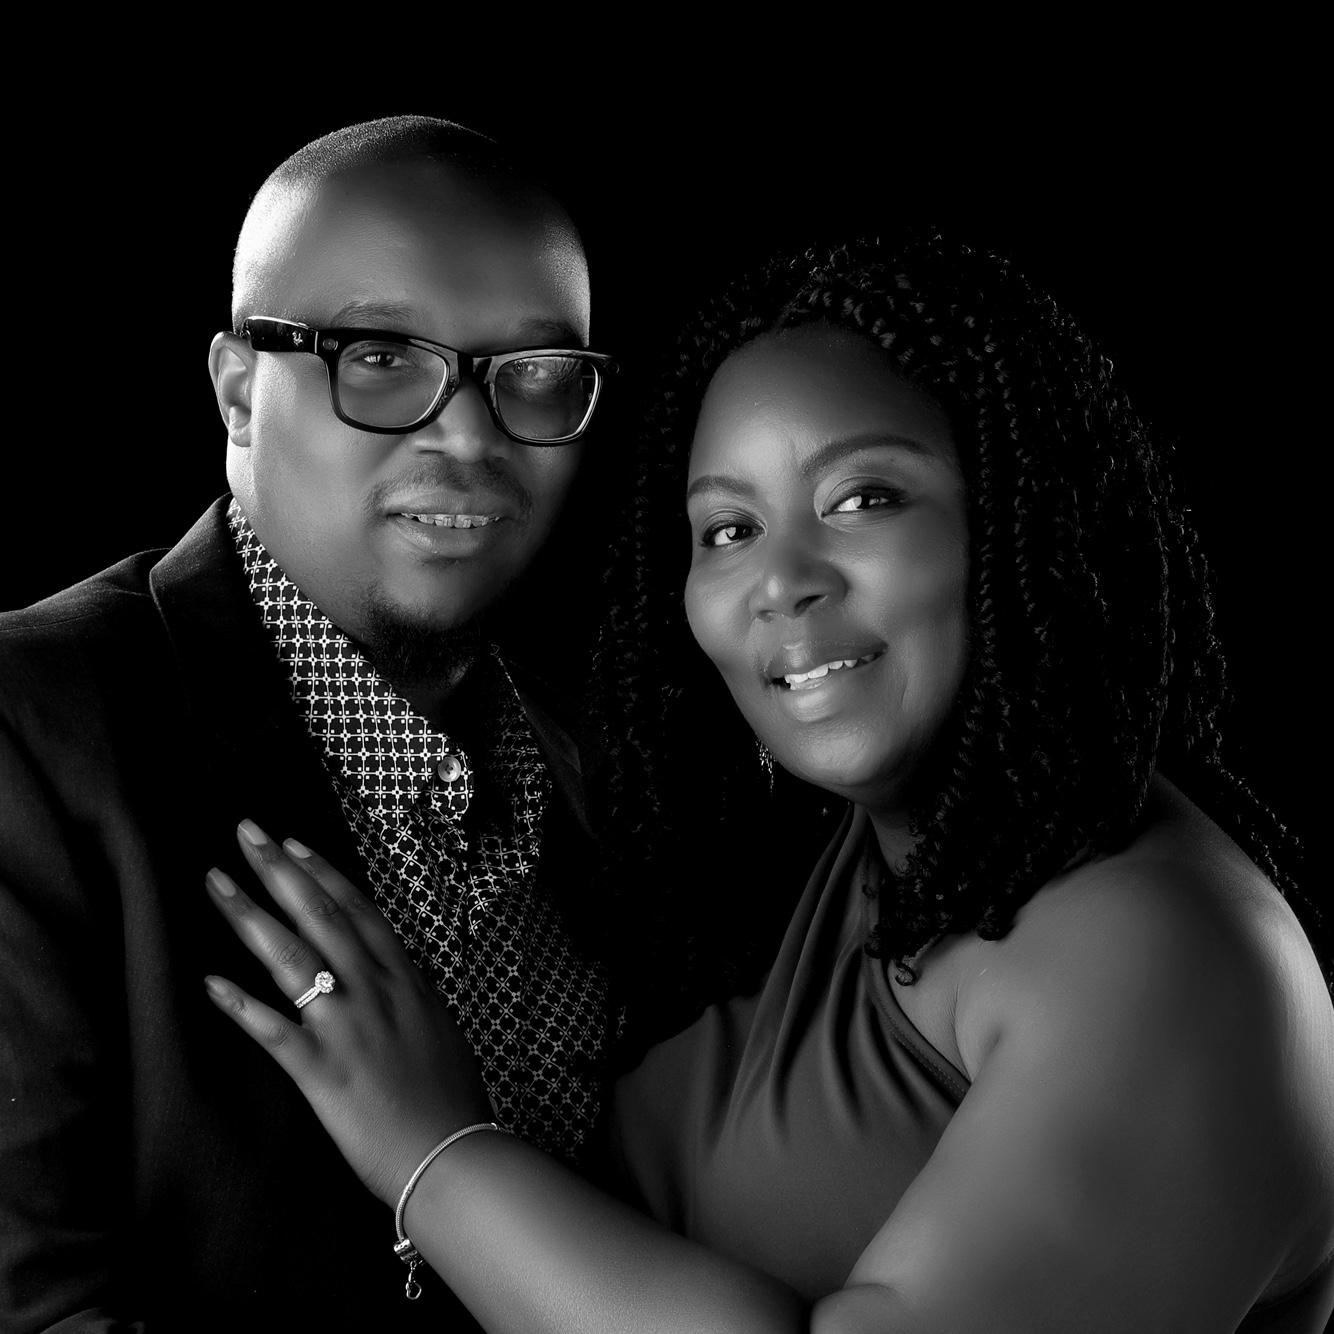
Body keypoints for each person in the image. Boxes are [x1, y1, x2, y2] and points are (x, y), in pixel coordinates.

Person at [205, 234, 1334, 1332]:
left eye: (863, 498)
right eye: (729, 528)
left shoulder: (1171, 951)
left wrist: (430, 1150)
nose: (780, 581)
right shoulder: (850, 866)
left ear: (1028, 514)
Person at [0, 116, 623, 1332]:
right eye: (379, 356)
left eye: (535, 371)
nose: (469, 433)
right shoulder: (33, 726)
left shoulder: (608, 760)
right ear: (239, 388)